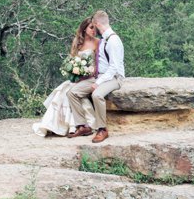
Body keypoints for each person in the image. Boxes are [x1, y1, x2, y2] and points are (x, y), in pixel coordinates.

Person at [32, 17, 98, 136]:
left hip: (90, 77)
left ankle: (80, 126)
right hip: (78, 77)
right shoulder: (77, 42)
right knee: (63, 91)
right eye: (91, 27)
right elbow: (72, 59)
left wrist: (87, 73)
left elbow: (98, 64)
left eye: (95, 28)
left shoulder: (97, 42)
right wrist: (73, 70)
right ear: (84, 28)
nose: (94, 30)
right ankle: (59, 125)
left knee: (72, 92)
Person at [67, 10, 125, 143]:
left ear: (98, 24)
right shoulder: (104, 39)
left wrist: (98, 83)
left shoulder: (113, 40)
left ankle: (102, 129)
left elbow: (114, 68)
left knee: (97, 95)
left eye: (94, 25)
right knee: (72, 93)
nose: (93, 28)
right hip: (100, 76)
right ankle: (82, 126)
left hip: (114, 78)